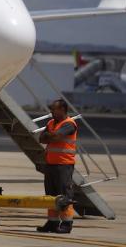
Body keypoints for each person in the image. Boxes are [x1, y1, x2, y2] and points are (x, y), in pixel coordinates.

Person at [37, 99, 78, 234]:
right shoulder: (50, 122)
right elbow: (41, 138)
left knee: (64, 194)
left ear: (62, 110)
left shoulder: (69, 124)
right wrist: (51, 136)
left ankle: (67, 223)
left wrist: (51, 136)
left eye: (54, 109)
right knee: (51, 195)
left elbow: (57, 136)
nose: (51, 112)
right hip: (51, 164)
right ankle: (52, 222)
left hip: (63, 164)